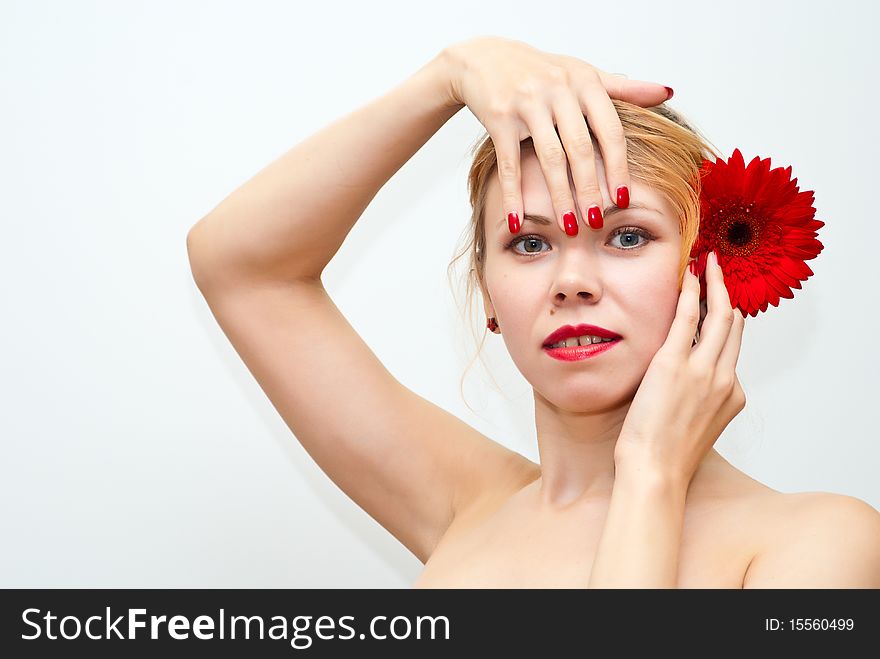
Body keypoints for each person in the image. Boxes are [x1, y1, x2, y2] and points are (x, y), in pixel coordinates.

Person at [186, 36, 880, 588]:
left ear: (711, 266)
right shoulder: (468, 504)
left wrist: (652, 475)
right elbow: (243, 269)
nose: (571, 280)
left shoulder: (823, 544)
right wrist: (448, 75)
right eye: (529, 241)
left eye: (627, 235)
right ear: (489, 293)